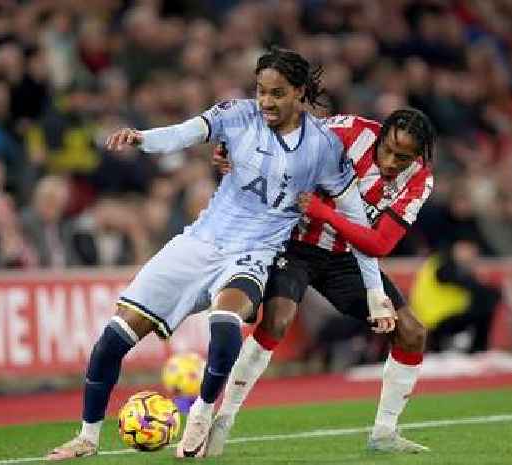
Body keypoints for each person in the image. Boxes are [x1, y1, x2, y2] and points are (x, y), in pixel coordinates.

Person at [45, 47, 394, 461]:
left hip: (254, 252)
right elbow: (187, 131)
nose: (265, 101)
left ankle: (203, 413)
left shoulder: (323, 147)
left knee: (225, 321)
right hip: (199, 242)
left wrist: (375, 292)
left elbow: (357, 224)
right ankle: (86, 437)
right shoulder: (238, 114)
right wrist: (143, 139)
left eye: (277, 93)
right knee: (113, 337)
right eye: (261, 91)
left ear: (299, 93)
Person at [206, 109, 436, 455]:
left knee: (412, 332)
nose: (390, 161)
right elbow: (282, 139)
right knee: (278, 320)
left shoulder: (419, 180)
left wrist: (324, 212)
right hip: (294, 242)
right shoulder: (345, 133)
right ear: (380, 134)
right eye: (386, 149)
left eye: (402, 158)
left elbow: (379, 244)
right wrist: (235, 152)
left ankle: (384, 433)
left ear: (417, 156)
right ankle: (222, 421)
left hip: (348, 257)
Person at [411, 239, 501, 353]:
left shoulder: (444, 263)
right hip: (436, 320)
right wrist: (491, 291)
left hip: (443, 317)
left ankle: (476, 348)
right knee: (485, 305)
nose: (472, 255)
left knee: (485, 301)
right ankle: (478, 349)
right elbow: (460, 282)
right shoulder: (443, 265)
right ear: (457, 247)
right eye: (469, 250)